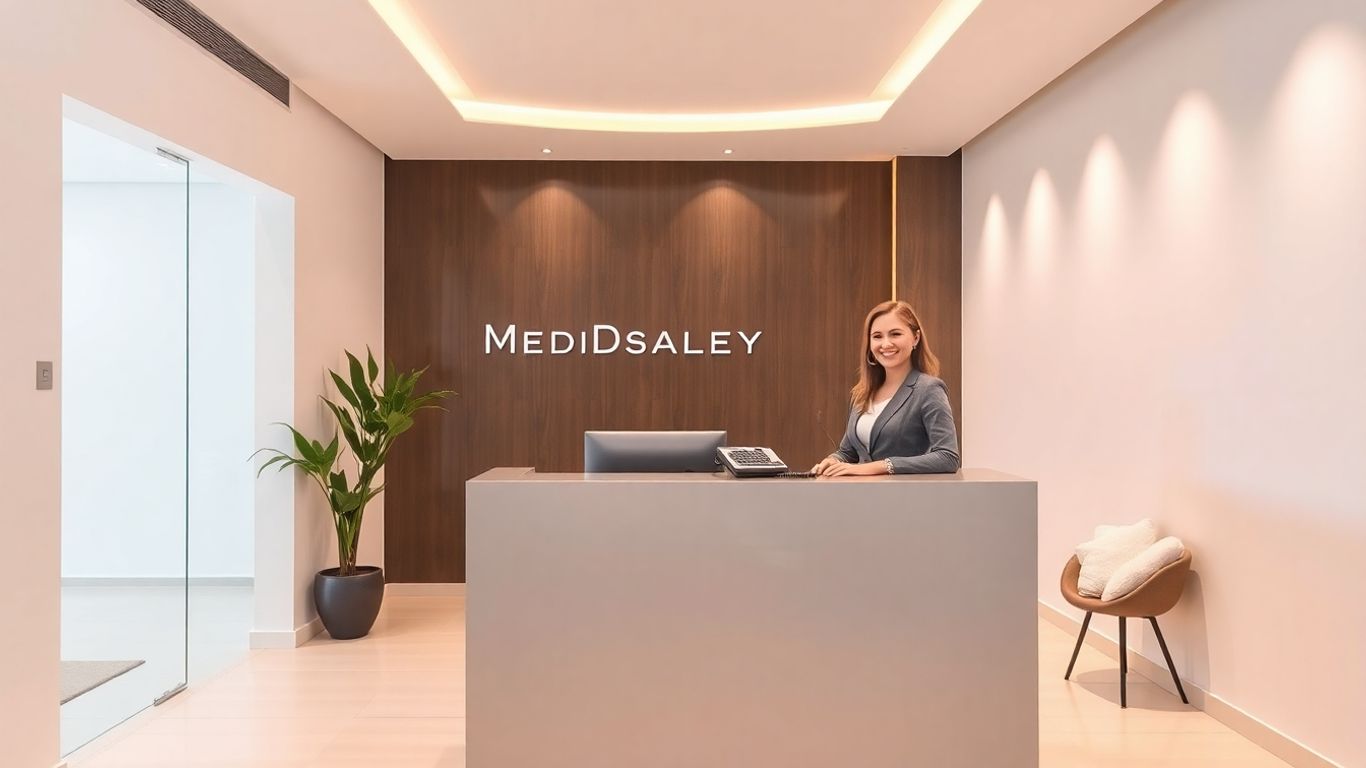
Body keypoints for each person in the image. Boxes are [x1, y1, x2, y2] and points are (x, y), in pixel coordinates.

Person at [811, 300, 960, 476]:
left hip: (904, 498)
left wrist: (879, 466)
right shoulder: (861, 393)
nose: (886, 344)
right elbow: (848, 452)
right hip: (859, 498)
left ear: (916, 338)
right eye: (877, 336)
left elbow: (948, 457)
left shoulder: (929, 389)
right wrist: (833, 461)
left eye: (895, 334)